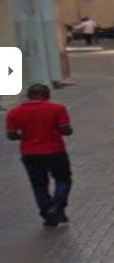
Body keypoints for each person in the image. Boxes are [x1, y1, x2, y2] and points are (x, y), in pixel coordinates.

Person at [6, 83, 74, 228]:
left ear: (28, 96)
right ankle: (57, 207)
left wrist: (25, 136)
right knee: (63, 180)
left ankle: (47, 213)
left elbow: (11, 135)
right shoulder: (57, 109)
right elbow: (66, 130)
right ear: (47, 95)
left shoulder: (14, 112)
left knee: (39, 184)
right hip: (55, 150)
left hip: (29, 152)